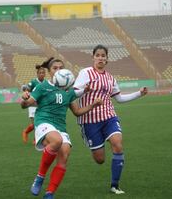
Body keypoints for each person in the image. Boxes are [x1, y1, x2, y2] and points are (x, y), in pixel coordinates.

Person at [20, 57, 102, 199]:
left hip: (60, 127)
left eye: (61, 68)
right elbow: (25, 105)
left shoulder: (68, 91)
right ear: (49, 71)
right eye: (55, 68)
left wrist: (93, 105)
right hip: (44, 122)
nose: (59, 71)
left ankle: (49, 193)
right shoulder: (42, 86)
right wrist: (25, 98)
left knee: (64, 153)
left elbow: (77, 112)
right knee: (57, 141)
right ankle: (40, 177)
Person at [73, 45, 148, 194]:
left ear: (107, 59)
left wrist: (139, 93)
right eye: (98, 55)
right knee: (100, 159)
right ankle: (93, 142)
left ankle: (115, 185)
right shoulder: (85, 73)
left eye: (103, 55)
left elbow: (119, 98)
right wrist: (84, 90)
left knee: (118, 144)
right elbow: (74, 93)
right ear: (93, 57)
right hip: (90, 121)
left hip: (109, 117)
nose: (100, 58)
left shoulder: (110, 78)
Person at [22, 65, 46, 144]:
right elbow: (27, 89)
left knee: (40, 123)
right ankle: (27, 133)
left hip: (42, 106)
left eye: (43, 73)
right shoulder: (33, 82)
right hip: (32, 105)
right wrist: (26, 94)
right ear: (37, 74)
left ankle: (35, 139)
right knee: (35, 123)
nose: (41, 74)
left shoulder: (46, 83)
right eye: (40, 73)